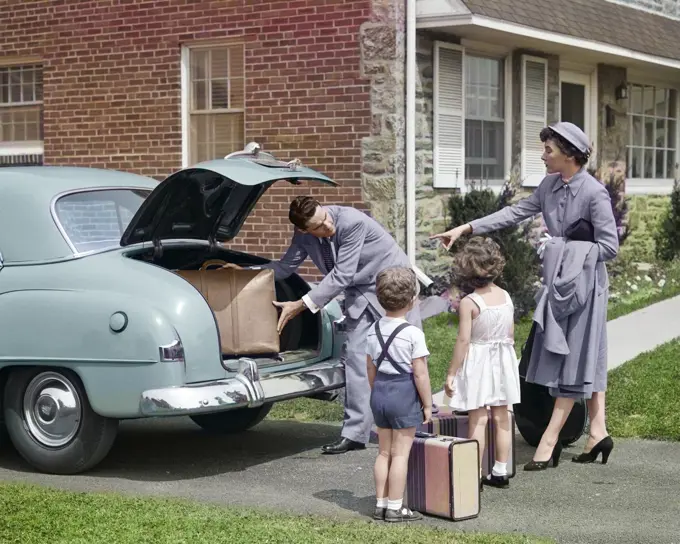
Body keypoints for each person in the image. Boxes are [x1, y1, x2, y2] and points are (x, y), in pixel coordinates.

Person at [431, 122, 618, 470]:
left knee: (575, 360)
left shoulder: (594, 193)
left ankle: (550, 441)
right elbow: (514, 212)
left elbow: (609, 247)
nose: (543, 155)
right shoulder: (549, 185)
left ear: (569, 154)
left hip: (586, 288)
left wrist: (559, 248)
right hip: (559, 285)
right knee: (587, 357)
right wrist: (466, 227)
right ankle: (597, 431)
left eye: (548, 150)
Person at [258, 196, 423, 454]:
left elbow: (342, 274)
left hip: (394, 285)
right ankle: (355, 434)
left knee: (407, 356)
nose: (328, 226)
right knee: (357, 360)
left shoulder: (351, 221)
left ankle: (417, 426)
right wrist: (247, 271)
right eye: (319, 226)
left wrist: (300, 305)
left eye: (326, 218)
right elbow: (285, 266)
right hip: (360, 291)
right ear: (303, 230)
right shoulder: (303, 235)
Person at [444, 237, 521, 488]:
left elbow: (464, 340)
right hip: (503, 358)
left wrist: (452, 373)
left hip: (479, 361)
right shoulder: (506, 296)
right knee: (502, 417)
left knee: (478, 418)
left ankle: (474, 473)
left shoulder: (469, 302)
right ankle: (500, 470)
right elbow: (510, 333)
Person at [366, 266, 432, 522]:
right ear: (412, 301)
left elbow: (370, 367)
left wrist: (377, 392)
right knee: (400, 454)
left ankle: (380, 503)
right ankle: (396, 507)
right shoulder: (413, 333)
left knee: (383, 452)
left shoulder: (372, 330)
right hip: (403, 394)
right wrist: (427, 404)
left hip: (380, 393)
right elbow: (420, 374)